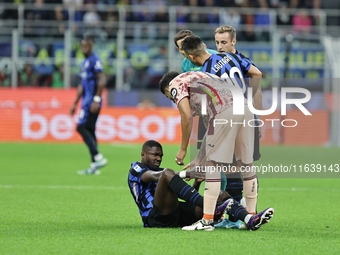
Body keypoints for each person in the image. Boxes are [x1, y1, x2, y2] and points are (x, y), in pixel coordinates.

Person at [159, 71, 274, 230]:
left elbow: (186, 116)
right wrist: (199, 158)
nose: (172, 99)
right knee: (246, 165)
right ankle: (250, 217)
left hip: (225, 111)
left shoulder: (175, 84)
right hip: (246, 108)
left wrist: (183, 149)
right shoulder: (202, 79)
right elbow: (210, 129)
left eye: (169, 97)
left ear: (167, 88)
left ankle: (206, 221)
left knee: (212, 167)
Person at [128, 140, 273, 231]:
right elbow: (155, 177)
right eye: (155, 155)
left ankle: (249, 219)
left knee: (221, 195)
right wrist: (187, 173)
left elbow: (185, 196)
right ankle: (212, 210)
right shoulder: (136, 169)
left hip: (176, 214)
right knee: (167, 173)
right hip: (155, 217)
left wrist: (196, 182)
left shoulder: (163, 173)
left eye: (160, 156)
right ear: (143, 154)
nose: (158, 158)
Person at [70, 37, 108, 175]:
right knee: (90, 130)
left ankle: (98, 157)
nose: (83, 48)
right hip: (85, 101)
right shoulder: (84, 63)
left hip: (92, 101)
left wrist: (97, 99)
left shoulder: (94, 60)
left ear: (91, 46)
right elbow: (81, 85)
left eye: (86, 46)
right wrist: (75, 103)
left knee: (81, 127)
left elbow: (102, 79)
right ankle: (94, 165)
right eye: (82, 46)